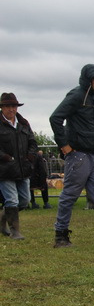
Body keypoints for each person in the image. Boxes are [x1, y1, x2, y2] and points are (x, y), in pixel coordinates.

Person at [49, 65, 94, 247]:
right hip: (78, 154)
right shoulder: (76, 95)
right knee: (70, 195)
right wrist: (64, 145)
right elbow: (55, 118)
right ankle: (61, 234)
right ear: (87, 79)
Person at [0, 92, 37, 240]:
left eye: (13, 106)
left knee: (24, 200)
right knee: (12, 200)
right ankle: (15, 231)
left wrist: (30, 155)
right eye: (8, 106)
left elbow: (32, 142)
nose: (11, 109)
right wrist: (5, 157)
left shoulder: (24, 123)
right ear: (2, 108)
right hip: (4, 169)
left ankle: (3, 220)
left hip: (23, 167)